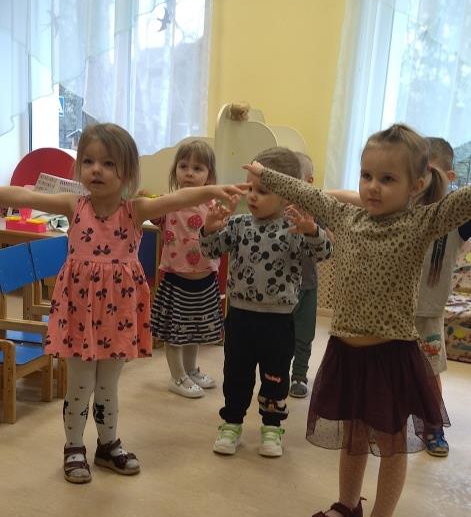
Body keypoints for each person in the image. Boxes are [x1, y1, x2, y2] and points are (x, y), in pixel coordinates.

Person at [244, 124, 471, 517]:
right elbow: (307, 194)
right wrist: (264, 173)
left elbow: (463, 202)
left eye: (387, 179)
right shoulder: (346, 217)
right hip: (346, 352)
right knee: (353, 435)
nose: (373, 187)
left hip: (391, 354)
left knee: (391, 441)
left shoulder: (422, 221)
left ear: (417, 185)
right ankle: (349, 505)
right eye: (367, 175)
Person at [0, 124, 243, 483]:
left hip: (118, 314)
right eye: (88, 161)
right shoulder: (73, 204)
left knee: (108, 385)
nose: (96, 169)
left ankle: (107, 444)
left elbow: (178, 199)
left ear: (127, 172)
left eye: (108, 163)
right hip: (79, 311)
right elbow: (22, 195)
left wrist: (213, 189)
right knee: (80, 384)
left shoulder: (136, 209)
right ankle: (73, 447)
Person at [200, 147, 332, 458]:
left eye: (262, 191)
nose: (252, 196)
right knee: (236, 374)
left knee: (275, 376)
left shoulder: (295, 227)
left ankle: (272, 427)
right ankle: (231, 423)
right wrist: (210, 228)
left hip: (279, 320)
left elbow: (325, 252)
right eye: (250, 188)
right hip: (240, 317)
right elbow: (210, 250)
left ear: (287, 196)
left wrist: (312, 230)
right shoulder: (239, 224)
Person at [150, 140, 226, 398]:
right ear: (175, 171)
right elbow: (147, 212)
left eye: (197, 168)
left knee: (194, 332)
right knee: (175, 334)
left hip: (205, 280)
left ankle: (191, 370)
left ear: (209, 176)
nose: (189, 173)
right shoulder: (167, 202)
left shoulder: (213, 205)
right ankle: (177, 376)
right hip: (176, 280)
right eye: (183, 166)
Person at [414, 138, 471, 457]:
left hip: (429, 311)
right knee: (387, 369)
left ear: (449, 177)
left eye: (430, 173)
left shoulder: (455, 218)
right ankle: (384, 421)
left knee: (429, 370)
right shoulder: (403, 211)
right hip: (392, 310)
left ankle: (433, 425)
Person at [289, 152, 324, 398]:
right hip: (282, 286)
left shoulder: (316, 208)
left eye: (292, 178)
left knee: (304, 334)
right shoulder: (278, 207)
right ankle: (277, 371)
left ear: (308, 181)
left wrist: (313, 229)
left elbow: (326, 244)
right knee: (281, 334)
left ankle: (299, 375)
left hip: (307, 285)